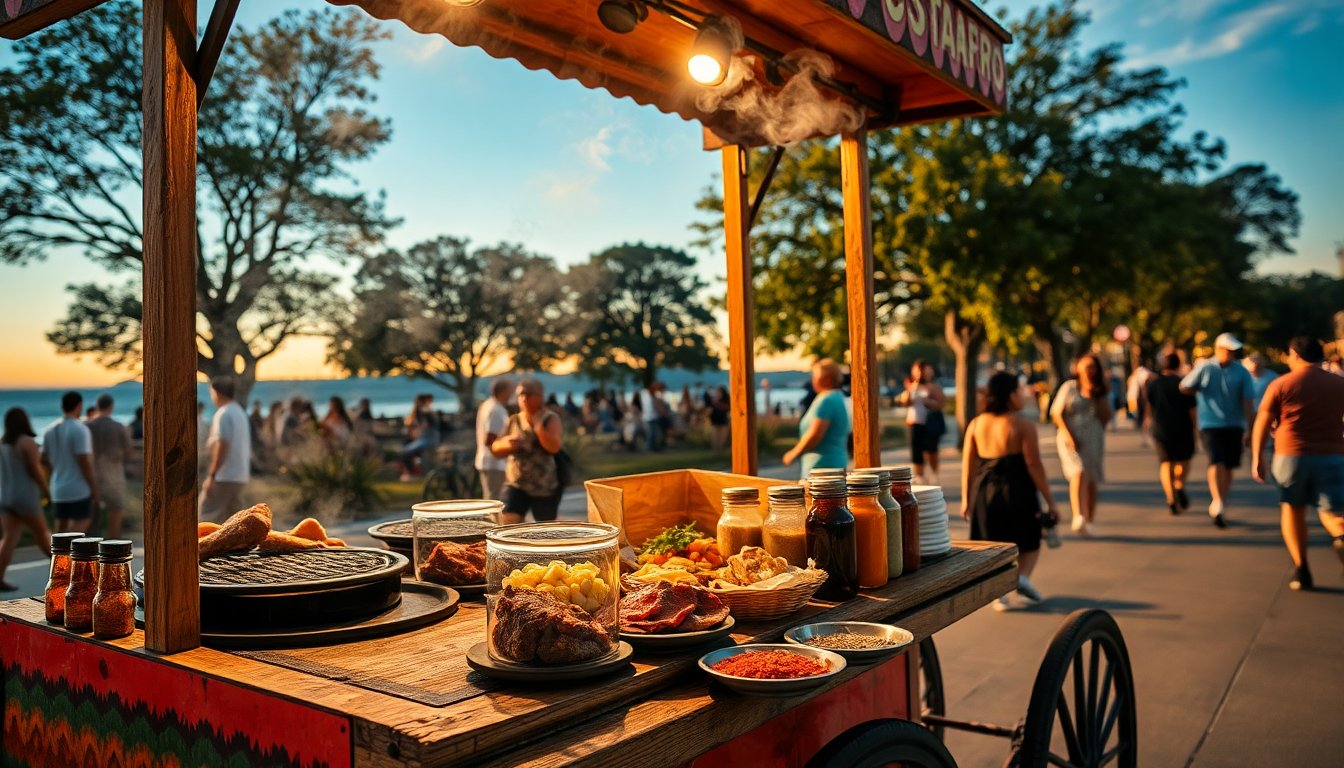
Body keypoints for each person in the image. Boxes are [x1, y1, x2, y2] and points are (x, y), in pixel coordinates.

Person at [1251, 337, 1344, 591]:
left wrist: (1257, 457)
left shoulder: (1281, 384)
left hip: (1290, 456)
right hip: (1333, 456)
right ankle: (1341, 538)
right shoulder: (1339, 383)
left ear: (1294, 355)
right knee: (1334, 513)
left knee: (1293, 510)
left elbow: (1262, 422)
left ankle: (1301, 569)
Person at [962, 372, 1060, 610]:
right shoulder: (1024, 425)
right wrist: (1050, 501)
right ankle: (1022, 577)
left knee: (994, 542)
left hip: (985, 490)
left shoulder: (976, 424)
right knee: (1029, 540)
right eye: (1019, 391)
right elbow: (1033, 464)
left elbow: (969, 464)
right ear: (1009, 395)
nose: (1023, 395)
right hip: (1018, 488)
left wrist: (967, 498)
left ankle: (1000, 595)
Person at [1181, 333, 1255, 529]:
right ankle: (1217, 500)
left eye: (1233, 351)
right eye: (1228, 350)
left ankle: (1221, 499)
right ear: (1219, 349)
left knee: (1229, 465)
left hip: (1234, 423)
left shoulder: (1242, 372)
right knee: (1216, 460)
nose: (1231, 354)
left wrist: (1250, 428)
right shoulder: (1205, 367)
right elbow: (1185, 386)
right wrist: (1199, 388)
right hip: (1210, 423)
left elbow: (1248, 401)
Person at [1051, 354, 1111, 536]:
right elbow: (1056, 413)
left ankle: (1089, 519)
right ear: (1077, 368)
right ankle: (1078, 515)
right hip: (1070, 435)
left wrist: (1098, 396)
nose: (1089, 370)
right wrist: (1070, 437)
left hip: (1093, 435)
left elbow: (1106, 417)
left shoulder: (1100, 390)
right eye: (1086, 366)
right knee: (1078, 472)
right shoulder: (1069, 387)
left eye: (1093, 367)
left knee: (1091, 477)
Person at [492, 378, 563, 523]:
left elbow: (554, 447)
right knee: (508, 524)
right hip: (516, 483)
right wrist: (508, 443)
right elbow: (495, 448)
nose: (524, 398)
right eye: (520, 394)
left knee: (545, 531)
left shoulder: (549, 418)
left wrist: (538, 428)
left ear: (540, 396)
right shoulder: (514, 420)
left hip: (544, 485)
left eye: (529, 394)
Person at [1, 408, 53, 591]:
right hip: (24, 497)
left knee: (9, 538)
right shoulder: (27, 442)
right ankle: (66, 572)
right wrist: (47, 491)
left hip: (5, 496)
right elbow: (35, 471)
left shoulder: (3, 443)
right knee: (42, 534)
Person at [1145, 353, 1198, 516]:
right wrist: (1195, 428)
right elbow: (1192, 409)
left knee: (1166, 463)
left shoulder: (1153, 384)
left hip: (1161, 428)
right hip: (1183, 427)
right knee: (1184, 461)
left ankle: (1170, 498)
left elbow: (1149, 406)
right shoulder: (1184, 383)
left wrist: (1147, 423)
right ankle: (1179, 485)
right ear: (1178, 365)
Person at [783, 359, 851, 478]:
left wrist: (794, 453)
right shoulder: (838, 396)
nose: (812, 380)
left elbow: (815, 435)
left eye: (815, 376)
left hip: (822, 466)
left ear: (828, 379)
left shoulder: (826, 400)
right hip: (836, 462)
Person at [41, 391, 98, 534]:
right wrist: (94, 488)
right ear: (79, 406)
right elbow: (84, 461)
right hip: (78, 488)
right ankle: (66, 551)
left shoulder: (50, 430)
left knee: (61, 529)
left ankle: (60, 554)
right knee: (80, 526)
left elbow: (42, 459)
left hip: (57, 488)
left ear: (62, 406)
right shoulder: (80, 429)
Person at [199, 376, 252, 522]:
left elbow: (223, 445)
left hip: (225, 475)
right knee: (233, 523)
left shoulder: (224, 414)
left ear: (217, 392)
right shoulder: (239, 412)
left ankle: (202, 546)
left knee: (206, 517)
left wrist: (212, 476)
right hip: (240, 475)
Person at [86, 394, 132, 538]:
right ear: (111, 407)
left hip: (91, 476)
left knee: (90, 519)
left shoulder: (87, 426)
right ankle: (112, 551)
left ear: (98, 406)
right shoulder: (118, 427)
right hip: (113, 475)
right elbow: (128, 452)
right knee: (116, 513)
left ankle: (87, 553)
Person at [899, 360, 947, 484]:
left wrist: (928, 401)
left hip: (929, 423)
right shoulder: (911, 386)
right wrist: (909, 391)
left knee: (931, 450)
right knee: (916, 451)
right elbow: (905, 402)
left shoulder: (934, 386)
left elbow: (941, 403)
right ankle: (920, 476)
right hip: (914, 422)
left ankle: (933, 473)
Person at [475, 378, 512, 501]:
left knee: (490, 499)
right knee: (493, 501)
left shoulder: (486, 405)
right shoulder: (496, 410)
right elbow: (490, 438)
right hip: (494, 462)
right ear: (503, 391)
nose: (511, 394)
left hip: (486, 460)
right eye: (509, 390)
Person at [399, 393, 440, 480]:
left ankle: (412, 473)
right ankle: (412, 472)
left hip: (427, 440)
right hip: (426, 439)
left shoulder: (426, 413)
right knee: (407, 448)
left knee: (405, 452)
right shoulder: (426, 412)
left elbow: (424, 426)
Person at [1126, 360, 1155, 447]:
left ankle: (1143, 438)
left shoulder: (1133, 375)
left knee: (1139, 417)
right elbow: (1144, 383)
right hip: (1140, 399)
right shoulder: (1143, 372)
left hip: (1132, 398)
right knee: (1146, 417)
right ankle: (1147, 437)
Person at [708, 386, 730, 451]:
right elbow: (710, 410)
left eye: (719, 392)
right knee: (715, 434)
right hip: (715, 419)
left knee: (723, 435)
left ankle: (721, 448)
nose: (718, 393)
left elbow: (728, 409)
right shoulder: (714, 400)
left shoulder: (726, 400)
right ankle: (716, 448)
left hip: (723, 419)